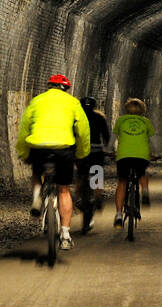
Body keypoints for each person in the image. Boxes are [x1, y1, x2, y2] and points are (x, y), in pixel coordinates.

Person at [16, 74, 90, 251]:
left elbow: (24, 127)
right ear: (66, 88)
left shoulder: (37, 100)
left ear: (49, 86)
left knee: (36, 173)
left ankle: (36, 199)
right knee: (63, 189)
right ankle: (65, 235)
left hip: (39, 146)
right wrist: (81, 153)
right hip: (64, 148)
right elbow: (83, 131)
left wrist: (24, 152)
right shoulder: (73, 103)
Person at [112, 98, 154, 228]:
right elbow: (153, 140)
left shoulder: (120, 121)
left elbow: (112, 139)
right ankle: (145, 191)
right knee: (141, 172)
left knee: (122, 182)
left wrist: (108, 150)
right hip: (141, 156)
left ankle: (118, 214)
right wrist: (156, 153)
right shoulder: (146, 122)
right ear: (142, 110)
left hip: (123, 156)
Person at [75, 96, 110, 233]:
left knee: (81, 174)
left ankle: (77, 197)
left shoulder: (76, 118)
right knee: (97, 174)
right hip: (96, 152)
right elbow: (106, 136)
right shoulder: (99, 118)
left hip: (81, 153)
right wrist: (108, 149)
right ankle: (98, 196)